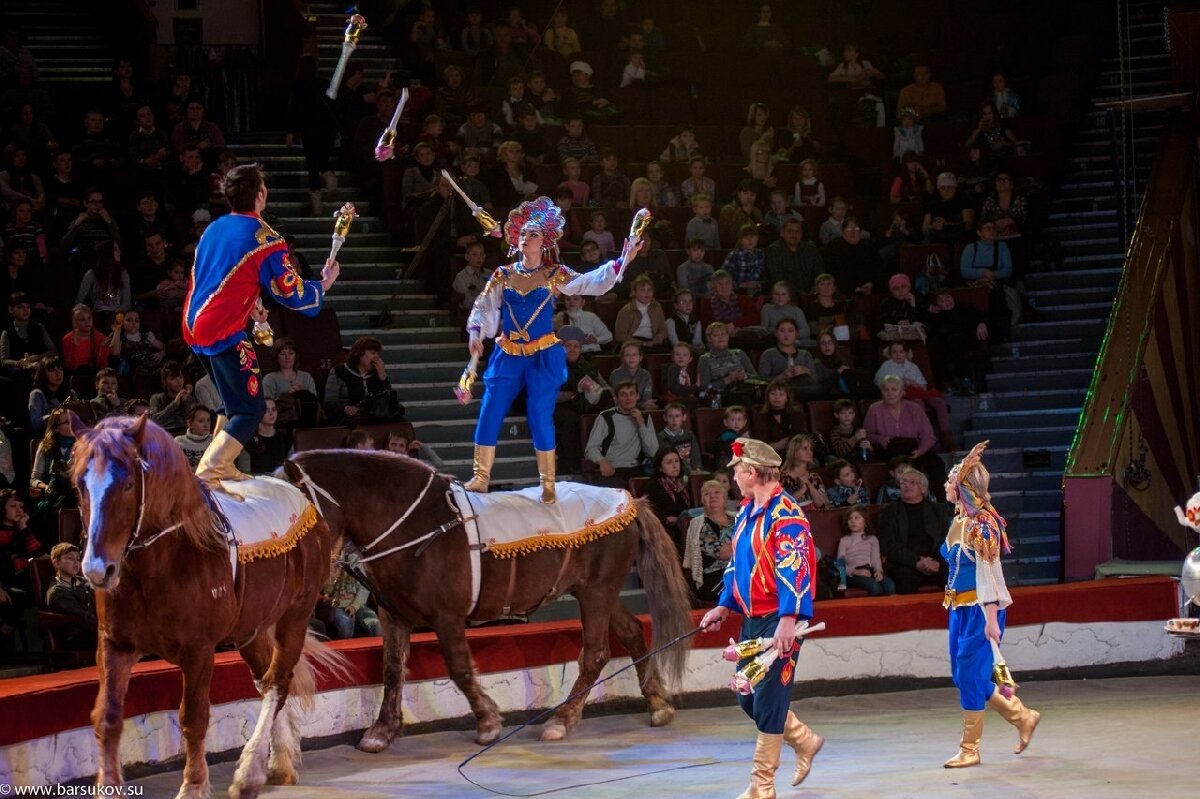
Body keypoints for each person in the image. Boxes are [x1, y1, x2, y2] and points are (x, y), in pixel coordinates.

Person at [466, 197, 644, 501]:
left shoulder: (554, 274)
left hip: (542, 354)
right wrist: (475, 332)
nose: (526, 238)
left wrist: (623, 259)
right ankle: (481, 476)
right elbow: (484, 306)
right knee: (490, 409)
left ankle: (547, 482)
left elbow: (592, 282)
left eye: (532, 234)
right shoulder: (503, 275)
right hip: (508, 351)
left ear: (544, 241)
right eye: (522, 234)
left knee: (539, 414)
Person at [183, 163, 340, 488]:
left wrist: (249, 300)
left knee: (230, 403)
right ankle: (207, 477)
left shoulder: (214, 228)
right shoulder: (266, 239)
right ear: (261, 194)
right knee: (251, 410)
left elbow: (214, 277)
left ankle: (221, 465)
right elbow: (292, 293)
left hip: (193, 323)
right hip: (222, 330)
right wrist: (322, 285)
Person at [700, 437, 822, 794]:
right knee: (747, 695)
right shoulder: (749, 510)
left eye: (737, 471)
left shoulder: (786, 515)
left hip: (779, 619)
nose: (733, 477)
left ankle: (762, 787)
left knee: (769, 700)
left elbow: (796, 568)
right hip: (753, 618)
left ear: (751, 473)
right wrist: (725, 603)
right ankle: (803, 739)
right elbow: (738, 564)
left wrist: (788, 618)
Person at [941, 441, 1039, 767]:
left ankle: (970, 749)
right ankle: (1022, 717)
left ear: (963, 487)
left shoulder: (983, 525)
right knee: (964, 676)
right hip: (959, 610)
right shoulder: (960, 521)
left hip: (981, 612)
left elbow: (991, 576)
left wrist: (992, 620)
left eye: (951, 480)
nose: (945, 485)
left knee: (970, 678)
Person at [877, 467, 952, 594]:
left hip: (935, 561)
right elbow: (889, 546)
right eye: (903, 482)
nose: (906, 485)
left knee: (956, 577)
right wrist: (917, 561)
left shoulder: (939, 510)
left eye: (912, 482)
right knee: (906, 580)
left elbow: (947, 540)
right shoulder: (889, 512)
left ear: (924, 489)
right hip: (904, 563)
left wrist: (936, 562)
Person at [583, 381, 659, 488]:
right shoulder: (606, 417)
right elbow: (590, 449)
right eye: (623, 395)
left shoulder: (644, 417)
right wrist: (602, 461)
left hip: (636, 469)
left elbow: (652, 452)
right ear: (617, 399)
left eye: (631, 393)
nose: (628, 398)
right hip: (612, 469)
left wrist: (641, 425)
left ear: (637, 396)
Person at [682, 479, 735, 602]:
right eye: (707, 494)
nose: (712, 496)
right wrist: (750, 546)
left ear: (725, 497)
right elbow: (723, 553)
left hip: (741, 572)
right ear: (702, 500)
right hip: (714, 579)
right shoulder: (699, 525)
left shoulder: (738, 518)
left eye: (717, 492)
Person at [45, 542, 97, 650]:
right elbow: (82, 616)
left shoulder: (81, 581)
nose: (76, 562)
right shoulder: (58, 592)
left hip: (94, 630)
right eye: (70, 558)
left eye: (78, 559)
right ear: (56, 563)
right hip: (78, 636)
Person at [836, 506, 894, 595]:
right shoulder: (844, 540)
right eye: (850, 519)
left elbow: (875, 559)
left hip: (869, 570)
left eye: (857, 518)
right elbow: (840, 563)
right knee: (874, 587)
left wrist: (878, 571)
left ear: (865, 521)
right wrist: (855, 572)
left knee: (890, 586)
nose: (853, 521)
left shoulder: (872, 539)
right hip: (852, 573)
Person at [645, 446, 691, 530]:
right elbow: (658, 518)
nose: (675, 465)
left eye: (676, 461)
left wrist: (679, 520)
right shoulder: (654, 487)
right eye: (669, 462)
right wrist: (679, 521)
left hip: (685, 528)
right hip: (667, 532)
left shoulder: (683, 485)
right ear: (660, 468)